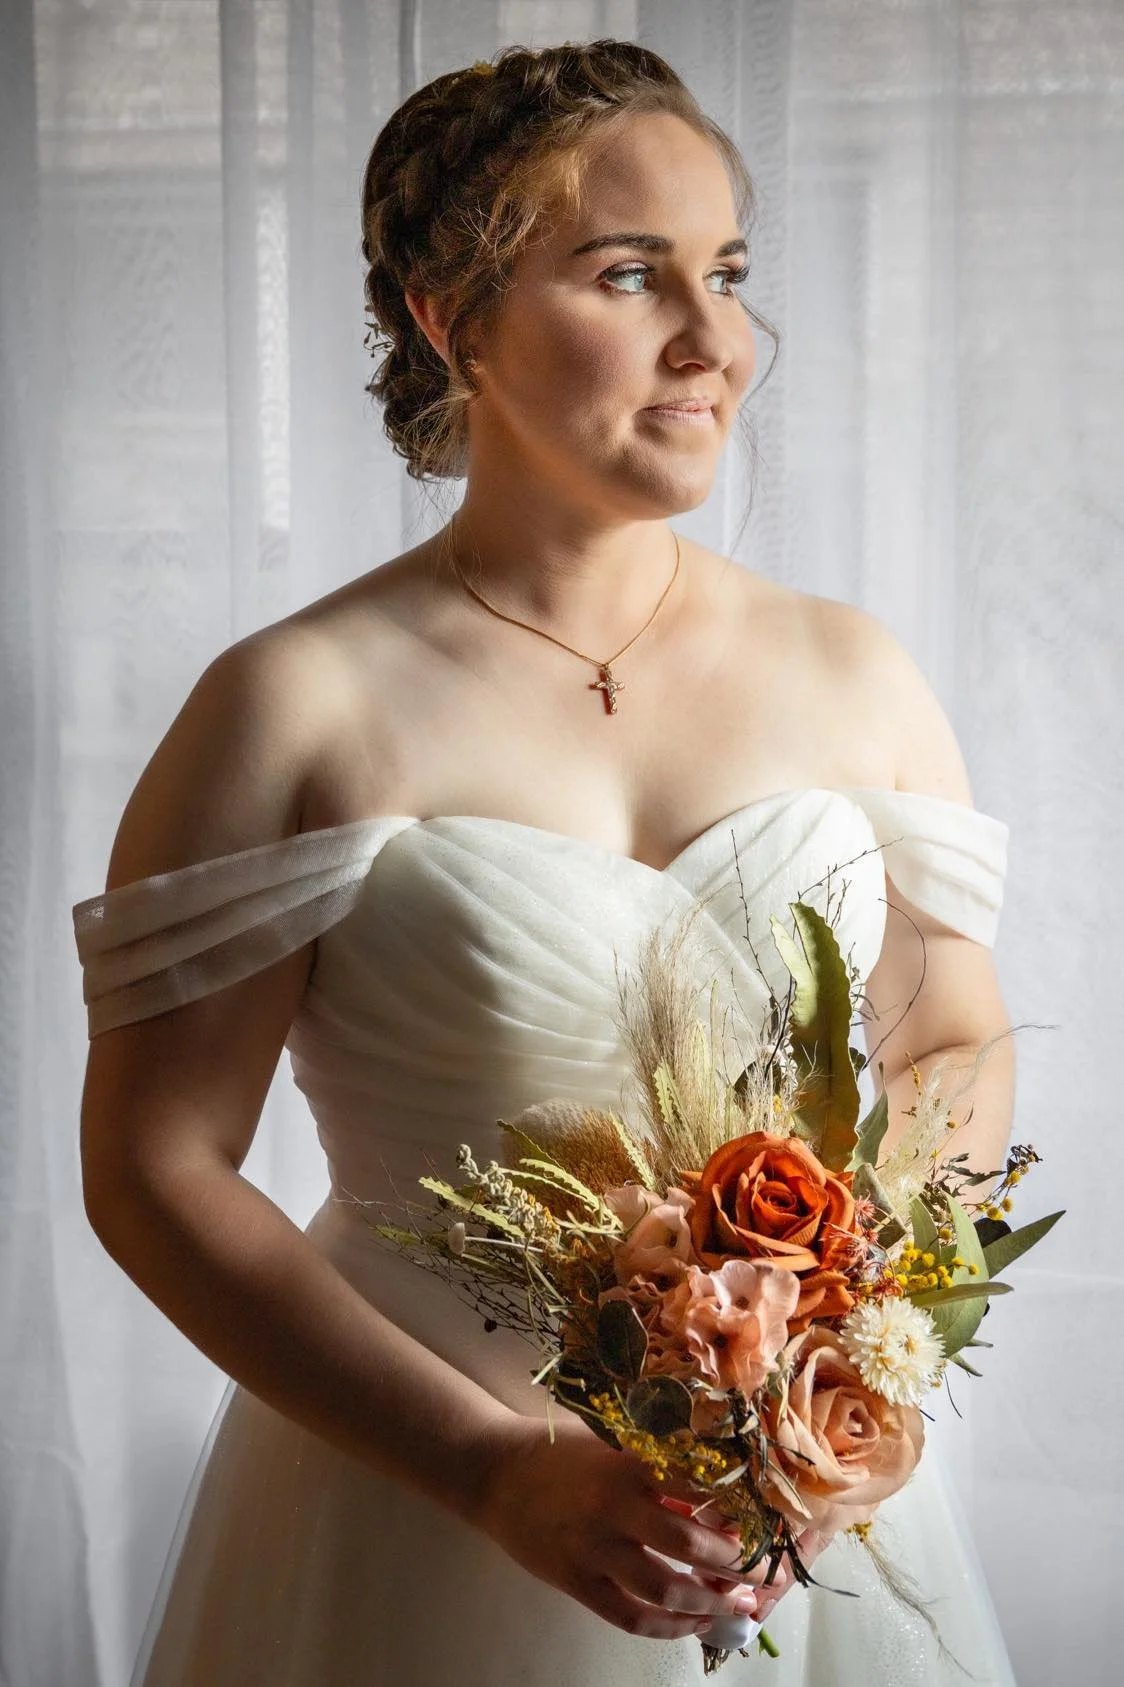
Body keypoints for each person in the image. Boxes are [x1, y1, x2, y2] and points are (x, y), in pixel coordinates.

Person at [73, 38, 1018, 1687]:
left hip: (792, 1507)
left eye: (725, 271)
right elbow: (157, 1168)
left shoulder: (853, 672)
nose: (715, 339)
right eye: (628, 272)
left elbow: (950, 1036)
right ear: (455, 316)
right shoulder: (291, 704)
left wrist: (855, 1316)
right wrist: (485, 1468)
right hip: (419, 1506)